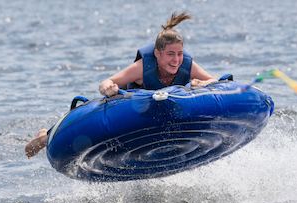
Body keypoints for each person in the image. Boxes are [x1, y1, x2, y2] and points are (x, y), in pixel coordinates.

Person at [25, 12, 217, 158]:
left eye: (179, 53)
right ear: (158, 53)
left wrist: (202, 83)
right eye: (170, 54)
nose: (176, 60)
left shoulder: (187, 64)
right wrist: (109, 88)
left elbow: (216, 82)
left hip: (163, 111)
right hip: (131, 111)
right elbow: (107, 82)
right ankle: (45, 136)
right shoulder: (143, 67)